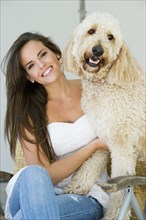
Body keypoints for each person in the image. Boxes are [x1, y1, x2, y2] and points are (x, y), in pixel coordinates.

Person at [2, 32, 109, 220]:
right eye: (31, 65)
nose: (41, 65)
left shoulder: (95, 87)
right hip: (40, 190)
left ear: (56, 54)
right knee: (34, 173)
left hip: (87, 193)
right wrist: (93, 146)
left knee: (24, 217)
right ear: (29, 77)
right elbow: (45, 177)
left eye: (42, 54)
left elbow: (136, 90)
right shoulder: (31, 114)